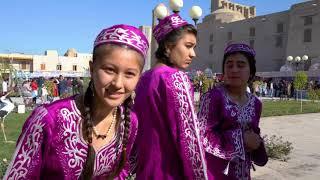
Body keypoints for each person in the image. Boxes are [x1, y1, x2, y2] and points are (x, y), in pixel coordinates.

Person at [4, 24, 149, 179]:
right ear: (92, 69)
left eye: (129, 74)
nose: (118, 83)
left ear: (139, 78)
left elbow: (121, 171)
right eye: (109, 70)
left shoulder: (129, 122)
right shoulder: (49, 120)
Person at [133, 13, 208, 179]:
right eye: (188, 46)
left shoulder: (143, 79)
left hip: (146, 171)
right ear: (168, 46)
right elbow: (189, 139)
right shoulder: (176, 78)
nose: (193, 54)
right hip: (170, 172)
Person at [198, 43, 268, 179]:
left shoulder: (255, 103)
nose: (234, 70)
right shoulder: (213, 97)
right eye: (229, 65)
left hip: (243, 172)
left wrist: (256, 143)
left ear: (251, 71)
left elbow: (253, 133)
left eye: (241, 65)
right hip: (215, 172)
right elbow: (200, 136)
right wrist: (240, 140)